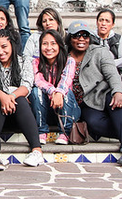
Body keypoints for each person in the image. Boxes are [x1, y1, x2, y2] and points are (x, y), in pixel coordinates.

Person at [0, 29, 44, 168]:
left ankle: (37, 151)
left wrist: (10, 97)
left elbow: (27, 86)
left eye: (4, 47)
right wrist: (3, 97)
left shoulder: (24, 61)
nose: (0, 52)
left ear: (12, 45)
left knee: (20, 99)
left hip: (17, 113)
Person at [68, 20, 122, 165]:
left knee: (116, 105)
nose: (81, 39)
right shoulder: (65, 56)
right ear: (70, 38)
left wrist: (118, 91)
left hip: (104, 93)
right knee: (93, 124)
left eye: (85, 36)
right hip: (86, 102)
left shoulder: (99, 51)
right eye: (76, 35)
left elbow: (112, 74)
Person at [29, 29, 80, 145]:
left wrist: (59, 93)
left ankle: (65, 132)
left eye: (53, 43)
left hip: (68, 109)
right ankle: (41, 131)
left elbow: (66, 81)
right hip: (46, 109)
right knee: (36, 90)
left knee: (66, 92)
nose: (48, 47)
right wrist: (53, 92)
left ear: (59, 45)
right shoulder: (36, 62)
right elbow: (38, 80)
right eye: (45, 43)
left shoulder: (69, 60)